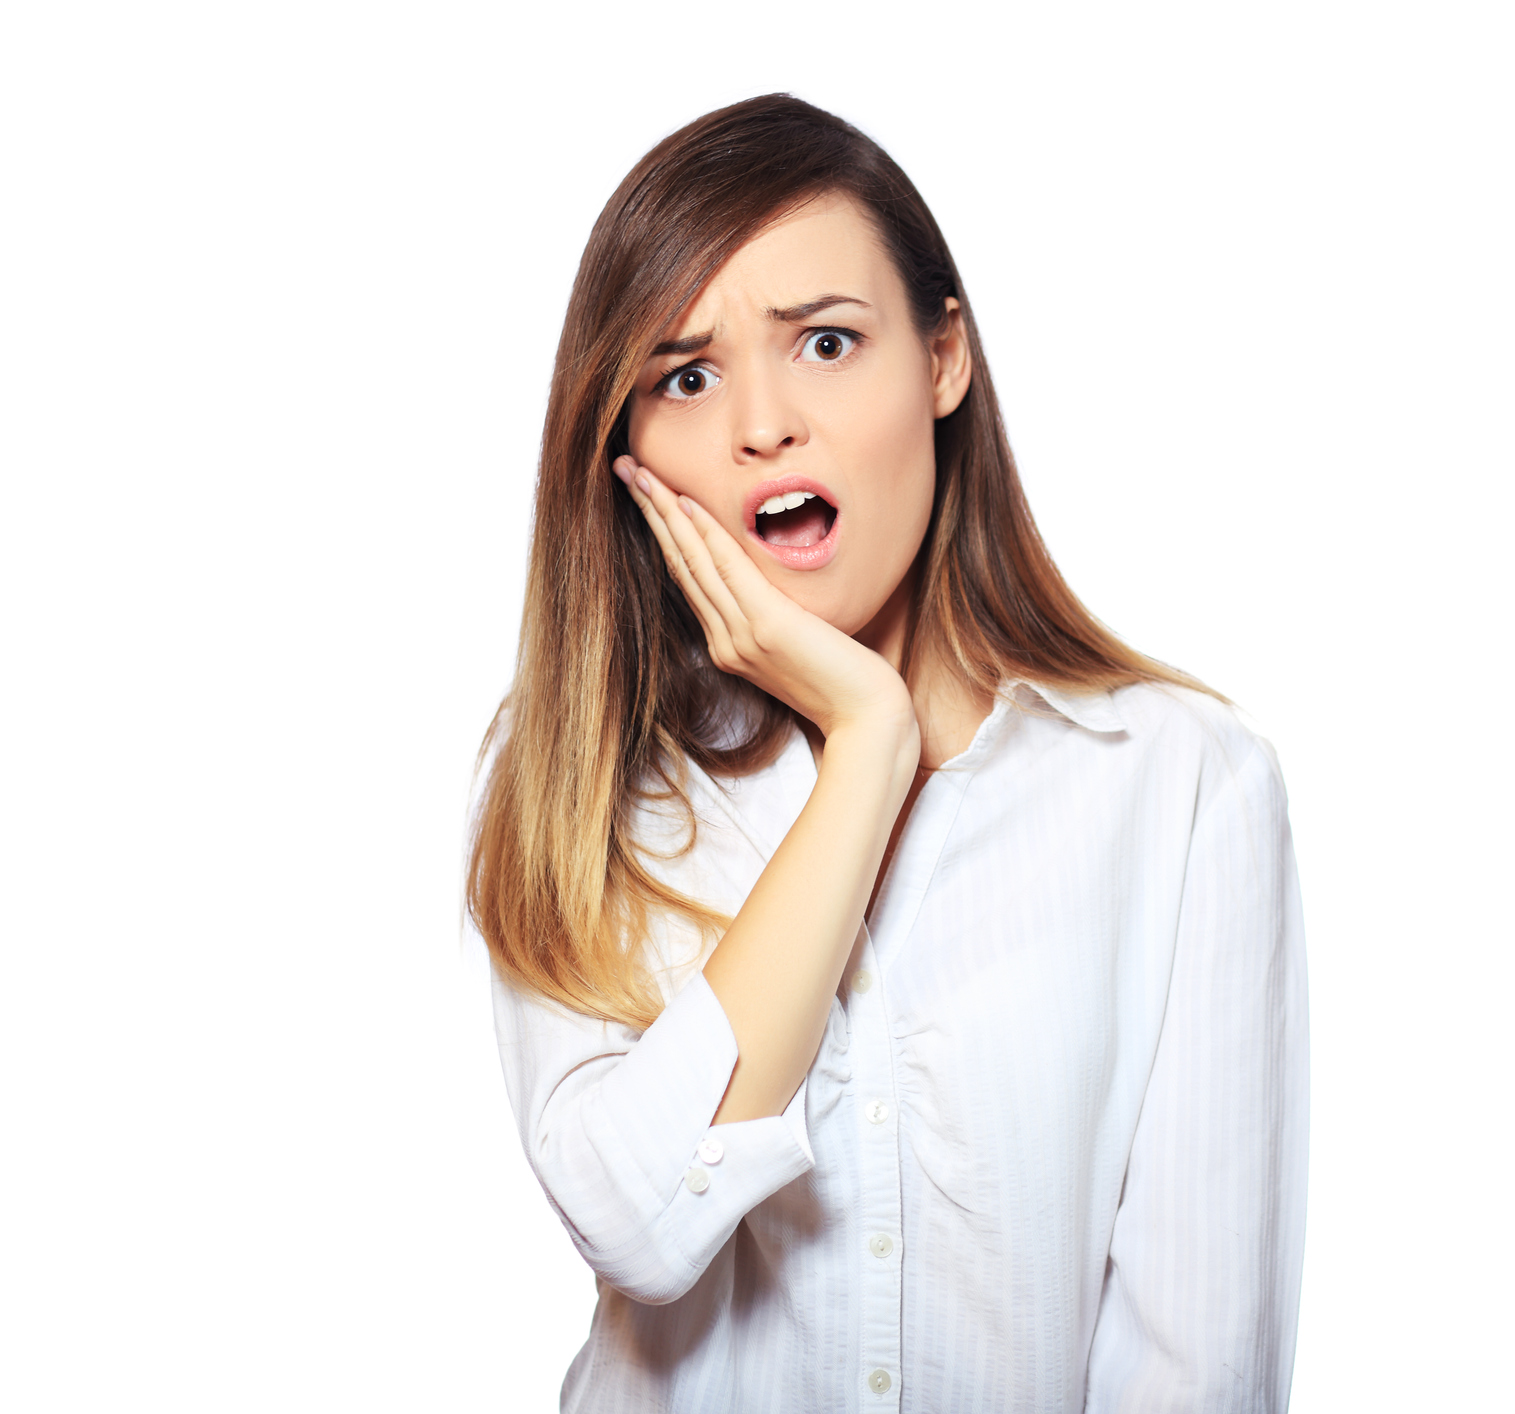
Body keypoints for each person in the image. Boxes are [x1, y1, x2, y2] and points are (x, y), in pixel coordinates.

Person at [468, 93, 1308, 1412]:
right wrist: (868, 743)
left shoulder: (1180, 784)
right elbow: (636, 1223)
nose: (761, 424)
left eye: (824, 342)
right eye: (684, 375)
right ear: (625, 447)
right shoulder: (579, 772)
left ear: (940, 361)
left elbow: (1196, 1368)